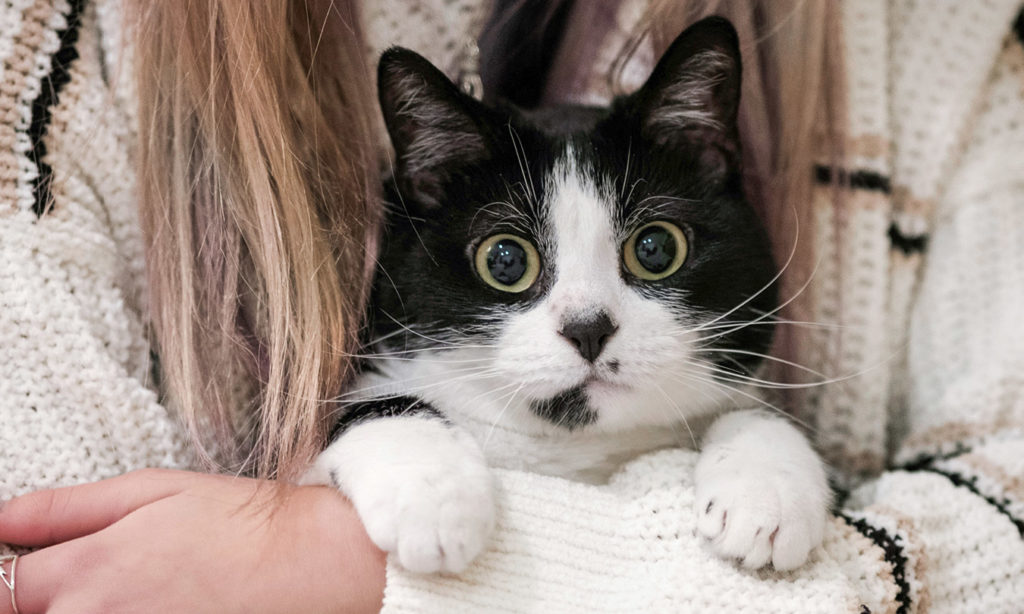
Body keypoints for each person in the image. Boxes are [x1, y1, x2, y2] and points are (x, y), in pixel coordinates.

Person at [1, 0, 1021, 612]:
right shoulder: (60, 52)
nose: (586, 320)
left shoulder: (951, 43)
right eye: (507, 264)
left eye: (649, 251)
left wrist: (352, 570)